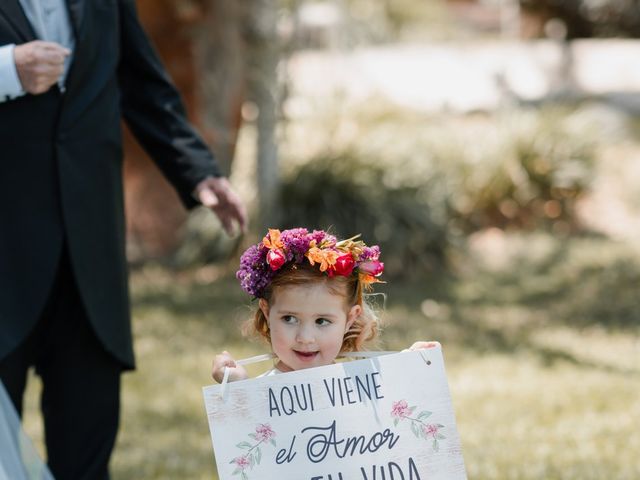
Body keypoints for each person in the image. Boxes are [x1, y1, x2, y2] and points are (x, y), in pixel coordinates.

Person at [0, 1, 247, 479]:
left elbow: (139, 79)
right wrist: (7, 69)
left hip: (89, 262)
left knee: (88, 457)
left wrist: (198, 172)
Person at [212, 228, 436, 383]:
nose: (305, 338)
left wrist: (411, 367)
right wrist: (237, 387)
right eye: (289, 318)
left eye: (322, 321)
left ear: (350, 319)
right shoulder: (263, 396)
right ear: (267, 312)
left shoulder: (363, 388)